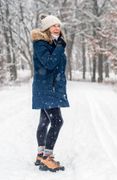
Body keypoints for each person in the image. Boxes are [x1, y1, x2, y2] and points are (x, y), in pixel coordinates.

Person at [31, 14, 69, 172]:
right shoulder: (41, 44)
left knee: (45, 121)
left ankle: (40, 155)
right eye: (53, 25)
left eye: (58, 26)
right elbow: (49, 63)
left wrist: (58, 46)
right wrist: (60, 47)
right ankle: (47, 157)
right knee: (57, 121)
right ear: (46, 28)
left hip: (51, 88)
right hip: (46, 88)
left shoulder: (54, 43)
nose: (57, 28)